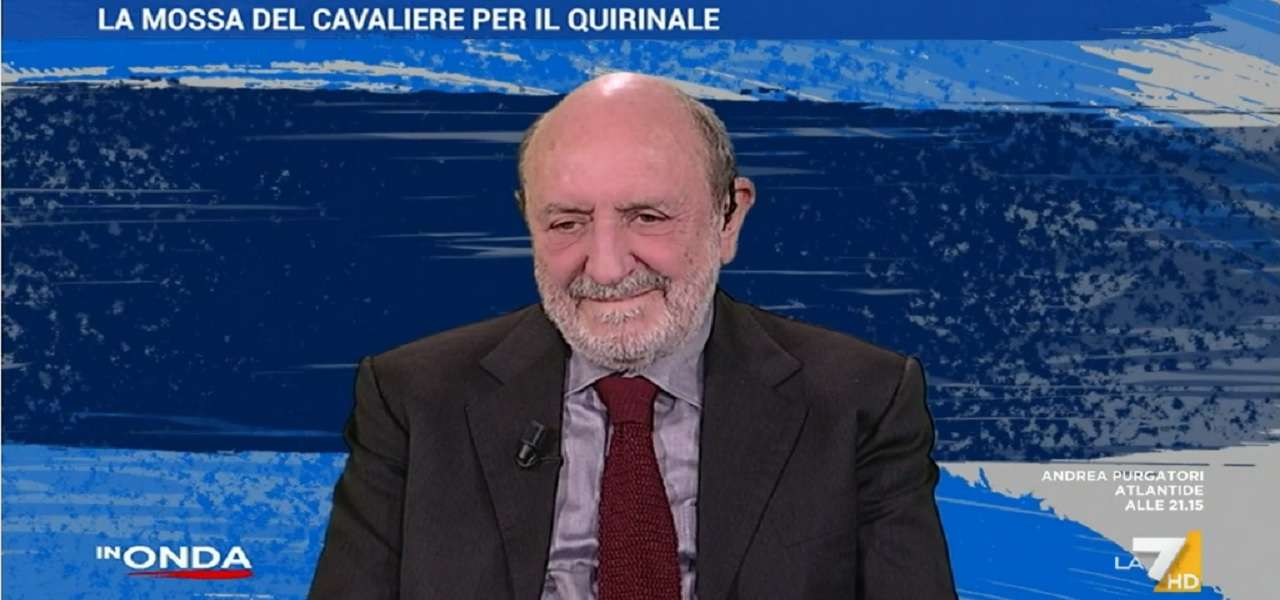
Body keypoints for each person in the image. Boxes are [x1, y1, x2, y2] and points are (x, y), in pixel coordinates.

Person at [309, 72, 956, 599]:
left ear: (729, 218)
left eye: (647, 217)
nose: (607, 267)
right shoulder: (413, 398)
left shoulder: (861, 401)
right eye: (567, 223)